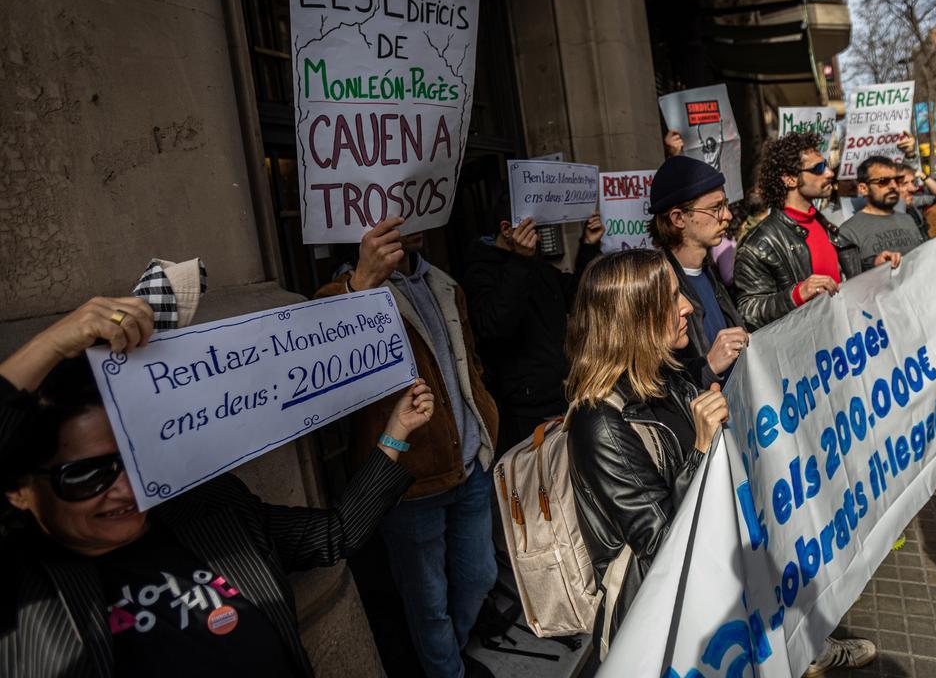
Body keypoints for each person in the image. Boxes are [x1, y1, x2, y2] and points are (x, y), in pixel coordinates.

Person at [0, 296, 434, 677]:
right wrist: (54, 342)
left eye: (135, 459)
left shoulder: (210, 509)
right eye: (86, 475)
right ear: (18, 489)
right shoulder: (26, 581)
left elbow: (334, 534)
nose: (125, 488)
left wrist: (395, 433)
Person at [565, 251, 876, 677]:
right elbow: (662, 546)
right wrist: (701, 447)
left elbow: (668, 420)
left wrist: (707, 369)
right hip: (662, 619)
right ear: (634, 318)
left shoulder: (660, 374)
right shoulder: (600, 423)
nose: (688, 307)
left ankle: (806, 649)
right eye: (671, 299)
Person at [318, 217, 499, 678]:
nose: (412, 218)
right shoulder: (345, 290)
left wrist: (483, 415)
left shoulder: (443, 282)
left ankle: (446, 660)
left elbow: (469, 361)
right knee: (428, 601)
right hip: (411, 480)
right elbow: (326, 360)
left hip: (470, 463)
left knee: (479, 576)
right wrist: (361, 283)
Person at [462, 196, 602, 452]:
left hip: (561, 395)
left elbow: (577, 295)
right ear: (507, 229)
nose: (536, 237)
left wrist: (589, 245)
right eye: (530, 228)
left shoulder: (537, 266)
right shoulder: (480, 271)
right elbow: (494, 326)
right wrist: (520, 262)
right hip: (524, 410)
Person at [733, 132, 864, 331]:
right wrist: (796, 295)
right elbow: (748, 310)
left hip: (844, 339)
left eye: (826, 165)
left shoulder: (824, 225)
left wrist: (875, 266)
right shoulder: (759, 243)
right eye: (818, 168)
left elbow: (844, 278)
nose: (829, 173)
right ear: (790, 179)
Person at [648, 156, 750, 387]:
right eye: (716, 208)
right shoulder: (657, 287)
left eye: (725, 205)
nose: (728, 216)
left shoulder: (710, 271)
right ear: (678, 218)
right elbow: (656, 381)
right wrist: (709, 367)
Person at [836, 156, 920, 272]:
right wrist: (873, 264)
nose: (893, 186)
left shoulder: (908, 219)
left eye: (897, 180)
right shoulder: (848, 232)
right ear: (863, 188)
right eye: (883, 181)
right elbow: (850, 280)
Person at [897, 164, 932, 240]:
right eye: (904, 183)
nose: (912, 189)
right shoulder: (889, 217)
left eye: (912, 182)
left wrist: (923, 176)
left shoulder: (913, 205)